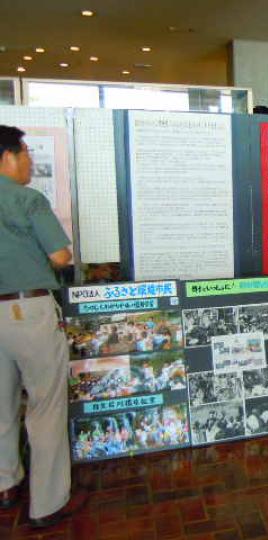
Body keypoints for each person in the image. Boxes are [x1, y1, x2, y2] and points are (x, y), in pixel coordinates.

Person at [0, 125, 86, 527]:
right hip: (28, 311)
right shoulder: (28, 199)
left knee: (1, 405)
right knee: (46, 406)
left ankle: (6, 484)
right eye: (25, 154)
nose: (30, 162)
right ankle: (48, 503)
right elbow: (60, 256)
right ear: (7, 156)